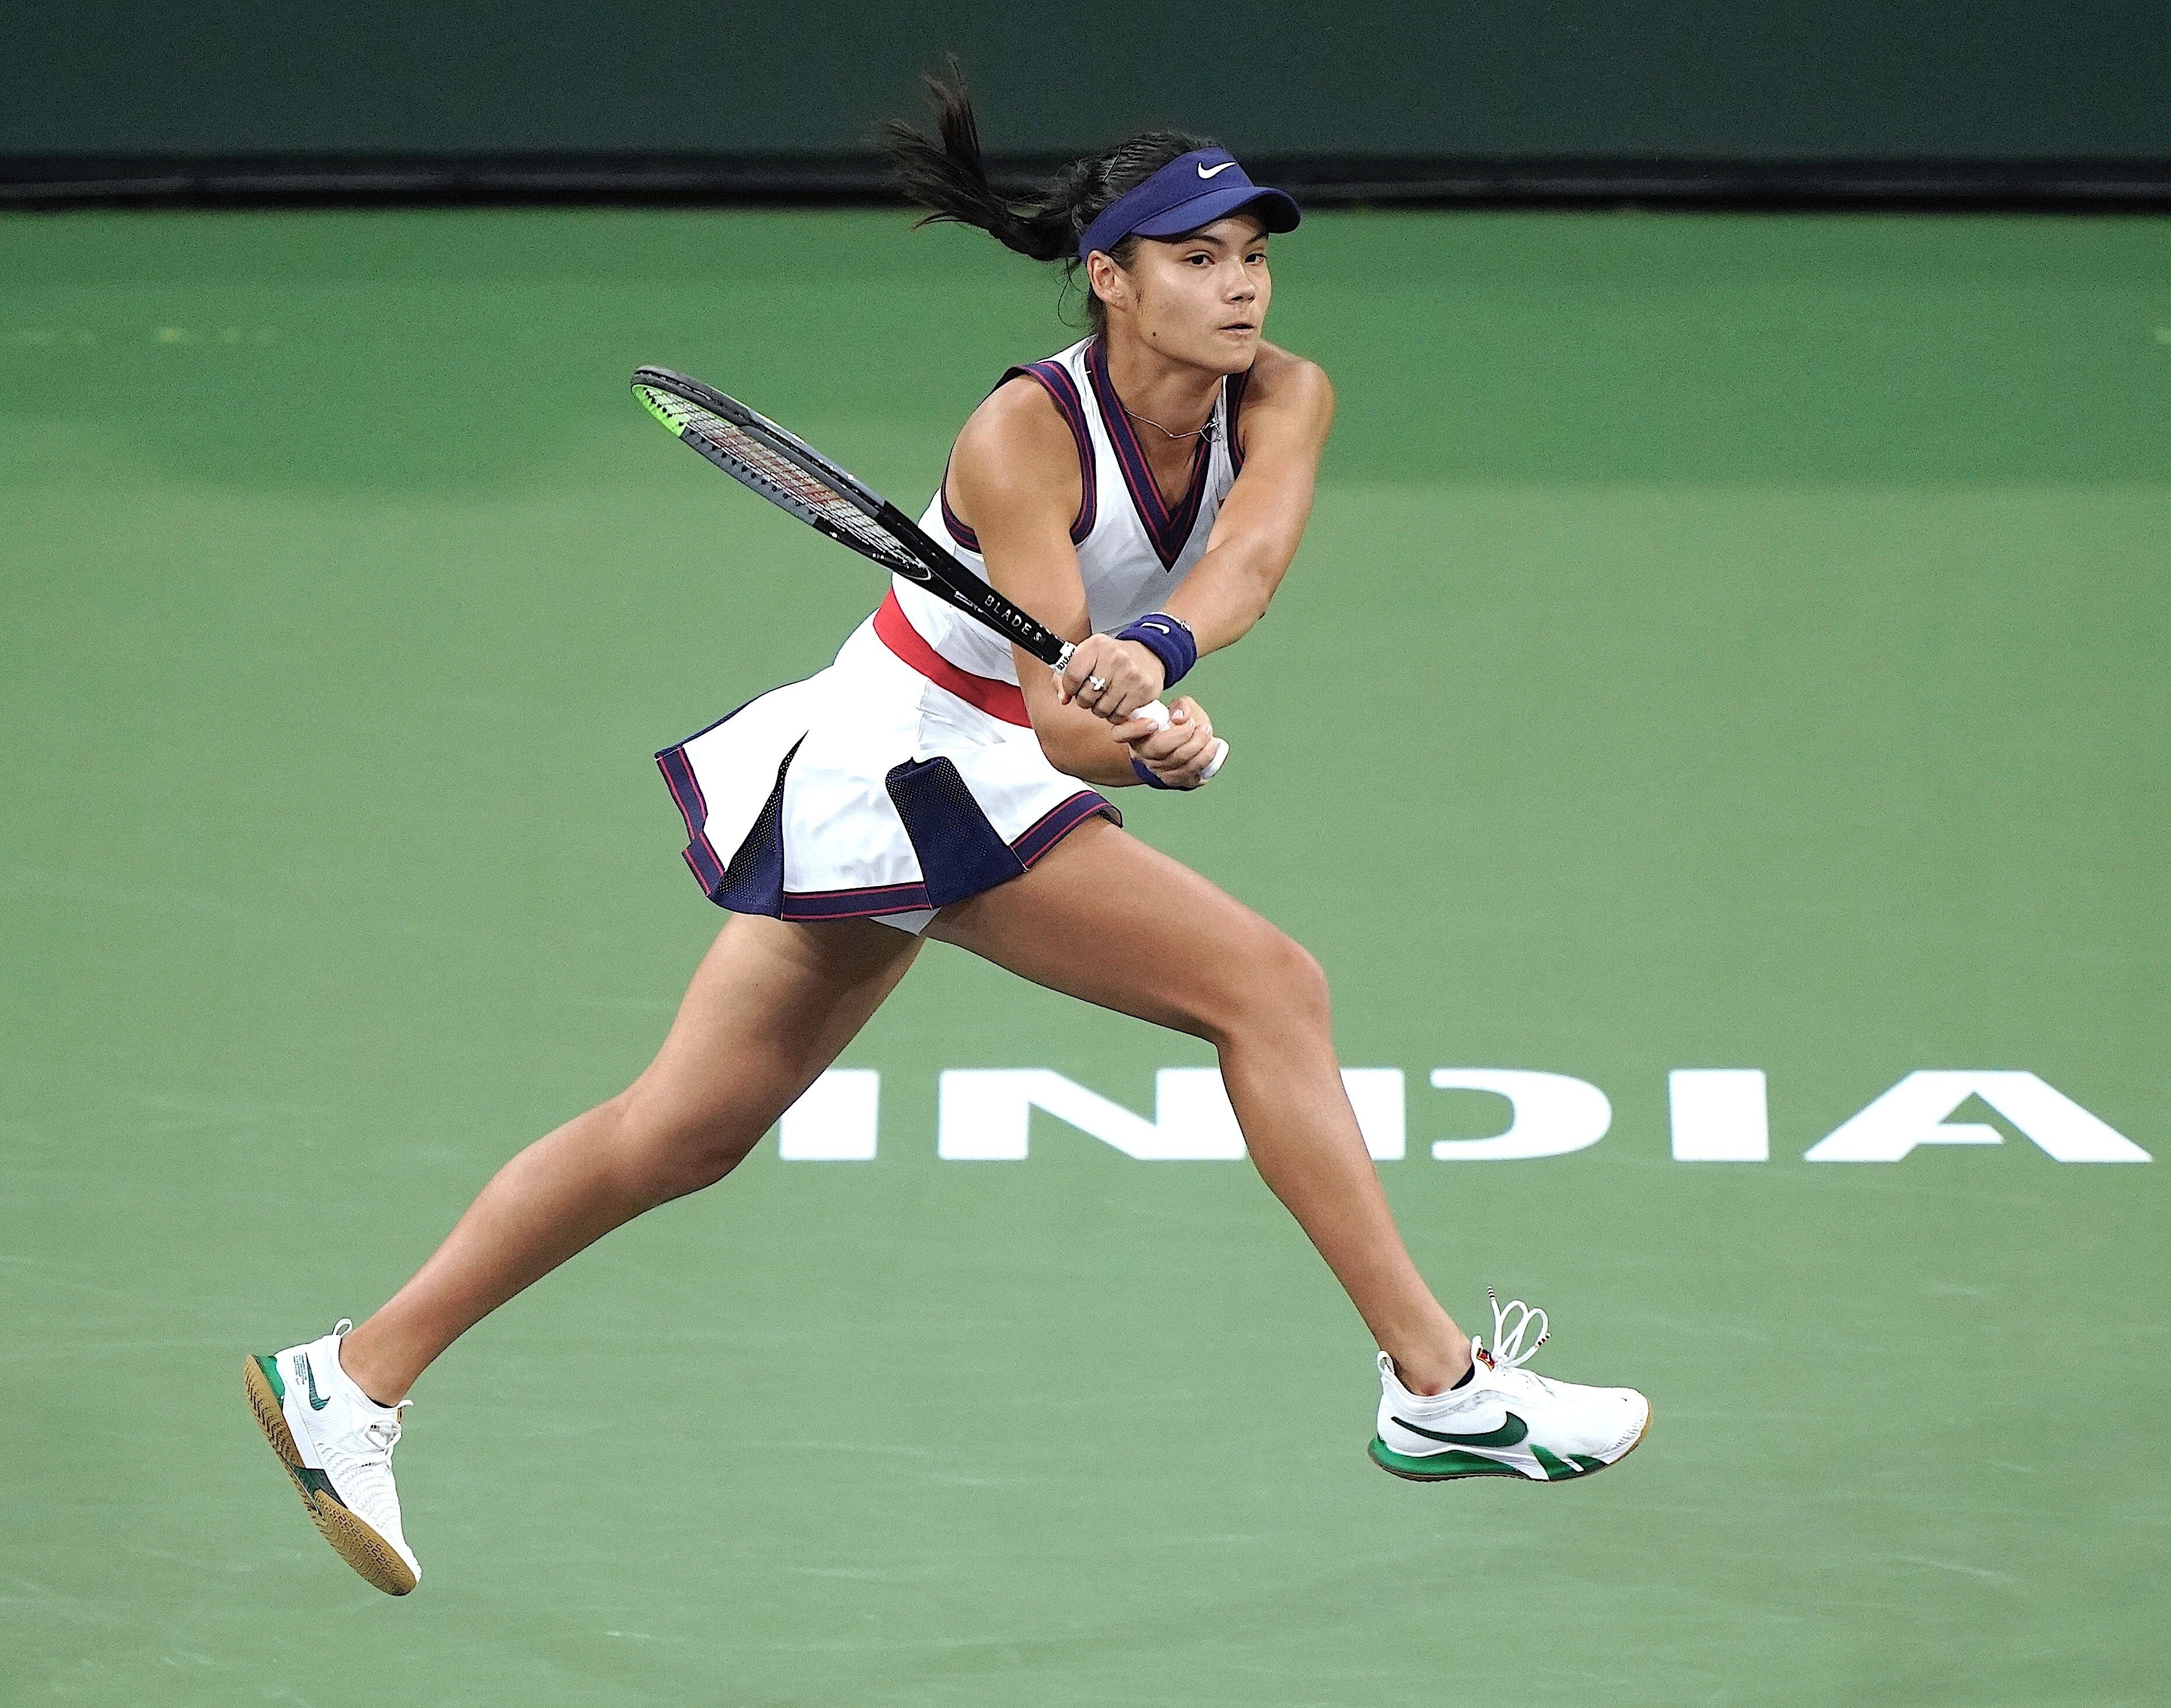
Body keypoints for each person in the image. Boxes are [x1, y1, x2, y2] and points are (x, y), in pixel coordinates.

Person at [242, 74, 1649, 1599]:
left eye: (1253, 250)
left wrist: (1161, 663)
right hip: (911, 755)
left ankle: (354, 1373)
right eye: (1195, 256)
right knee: (1269, 989)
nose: (1239, 281)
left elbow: (1243, 567)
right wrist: (1122, 722)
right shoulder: (1021, 439)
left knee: (684, 1133)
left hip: (966, 750)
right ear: (1110, 278)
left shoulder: (1287, 394)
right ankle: (1438, 1391)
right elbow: (1049, 728)